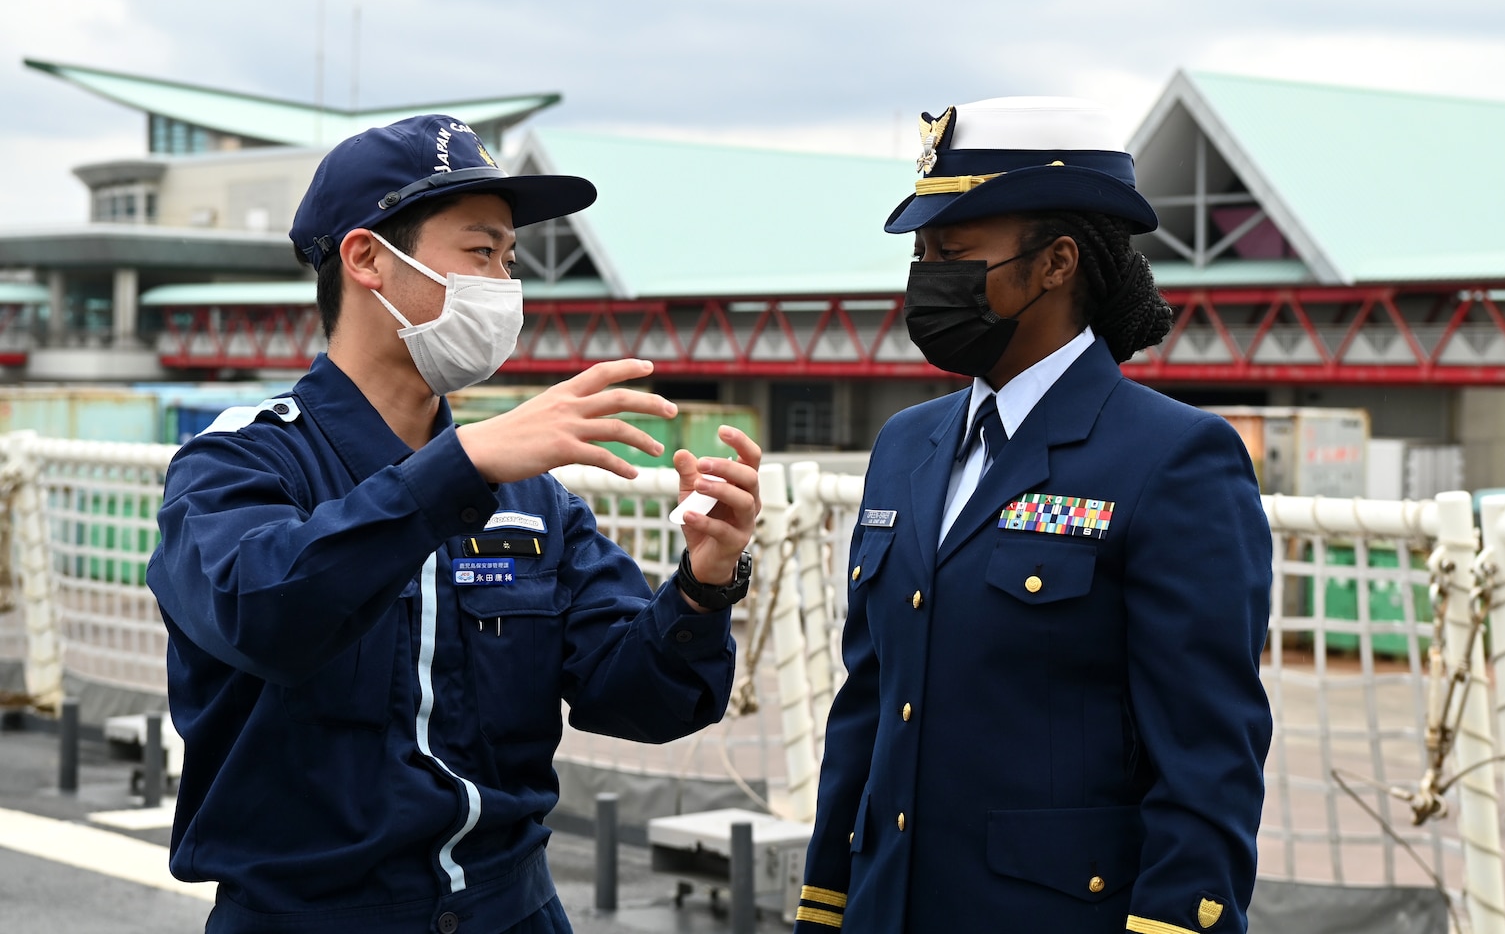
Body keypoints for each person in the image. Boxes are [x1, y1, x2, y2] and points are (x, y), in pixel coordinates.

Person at [147, 115, 761, 934]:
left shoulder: (531, 493)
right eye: (481, 253)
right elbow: (262, 613)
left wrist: (702, 585)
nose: (505, 285)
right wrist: (456, 471)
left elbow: (639, 703)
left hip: (514, 909)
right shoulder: (240, 465)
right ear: (366, 258)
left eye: (511, 261)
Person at [792, 97, 1272, 934]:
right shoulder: (905, 446)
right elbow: (869, 705)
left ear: (1055, 263)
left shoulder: (1173, 458)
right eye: (921, 253)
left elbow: (1205, 758)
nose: (927, 276)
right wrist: (826, 903)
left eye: (954, 252)